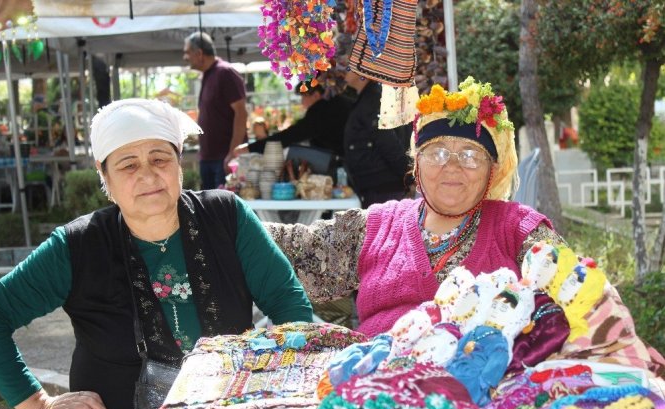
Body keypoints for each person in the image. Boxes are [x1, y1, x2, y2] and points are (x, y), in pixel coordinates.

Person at [265, 77, 665, 376]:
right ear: (416, 164)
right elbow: (292, 249)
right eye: (437, 152)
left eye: (471, 155)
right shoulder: (375, 226)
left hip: (489, 400)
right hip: (377, 394)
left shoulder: (519, 229)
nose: (453, 166)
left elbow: (579, 291)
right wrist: (232, 216)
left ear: (492, 171)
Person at [0, 99, 313, 409]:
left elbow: (287, 302)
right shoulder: (78, 246)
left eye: (160, 159)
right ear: (105, 176)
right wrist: (38, 405)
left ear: (179, 163)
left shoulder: (225, 216)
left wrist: (282, 388)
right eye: (128, 165)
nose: (147, 176)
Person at [183, 31, 247, 189]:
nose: (185, 57)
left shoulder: (225, 72)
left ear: (199, 53)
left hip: (224, 159)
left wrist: (233, 153)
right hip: (208, 158)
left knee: (223, 203)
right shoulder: (208, 75)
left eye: (188, 52)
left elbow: (241, 113)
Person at [342, 71, 412, 208]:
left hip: (383, 189)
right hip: (380, 187)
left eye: (348, 66)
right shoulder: (369, 97)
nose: (343, 69)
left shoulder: (373, 100)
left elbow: (389, 144)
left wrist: (408, 177)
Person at [240, 81, 352, 159]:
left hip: (344, 159)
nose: (302, 101)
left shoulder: (321, 109)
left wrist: (251, 148)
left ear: (316, 95)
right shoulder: (339, 102)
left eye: (303, 96)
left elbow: (291, 135)